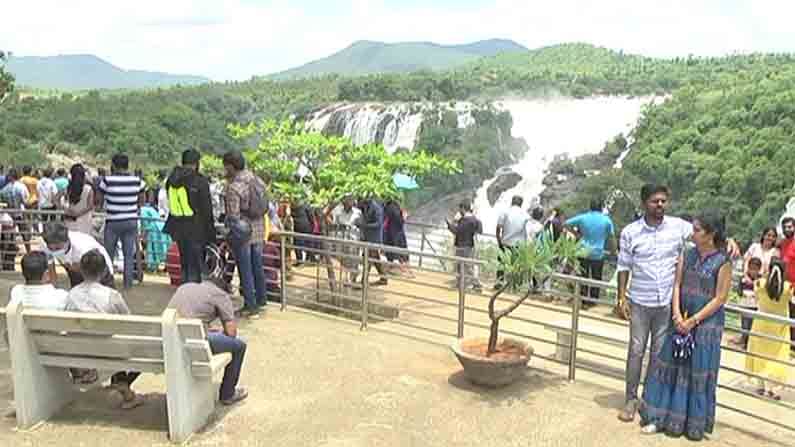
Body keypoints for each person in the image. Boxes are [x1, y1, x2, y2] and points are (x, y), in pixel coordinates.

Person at [616, 184, 739, 423]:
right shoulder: (630, 232)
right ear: (644, 203)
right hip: (640, 301)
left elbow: (709, 232)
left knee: (659, 355)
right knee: (636, 350)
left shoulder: (678, 226)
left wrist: (730, 239)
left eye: (663, 201)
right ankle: (631, 399)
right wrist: (621, 296)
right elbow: (623, 266)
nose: (660, 205)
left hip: (667, 306)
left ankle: (650, 400)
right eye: (655, 201)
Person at [639, 212, 733, 440]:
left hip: (705, 326)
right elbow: (677, 284)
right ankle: (658, 417)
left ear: (710, 234)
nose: (693, 233)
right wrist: (677, 315)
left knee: (697, 371)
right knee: (669, 367)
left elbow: (720, 298)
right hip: (680, 319)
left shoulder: (723, 262)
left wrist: (693, 320)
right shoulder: (687, 255)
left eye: (698, 230)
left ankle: (691, 423)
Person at [64, 250, 143, 408]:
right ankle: (123, 384)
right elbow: (129, 322)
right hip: (109, 351)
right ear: (104, 271)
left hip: (79, 350)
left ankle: (119, 383)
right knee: (142, 349)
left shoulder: (71, 295)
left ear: (81, 270)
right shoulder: (111, 295)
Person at [167, 276, 248, 405]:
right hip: (193, 343)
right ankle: (228, 394)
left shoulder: (185, 287)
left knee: (205, 335)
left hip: (169, 341)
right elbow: (231, 333)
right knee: (240, 346)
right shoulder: (221, 295)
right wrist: (221, 330)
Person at [223, 150, 267, 316]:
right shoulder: (258, 180)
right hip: (259, 229)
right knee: (258, 266)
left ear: (231, 167)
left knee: (245, 269)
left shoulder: (234, 187)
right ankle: (262, 299)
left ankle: (250, 304)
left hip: (244, 233)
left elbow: (233, 216)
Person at [163, 149, 215, 284]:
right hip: (196, 228)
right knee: (196, 266)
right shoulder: (199, 181)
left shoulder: (171, 180)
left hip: (177, 227)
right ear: (196, 163)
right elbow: (206, 209)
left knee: (185, 261)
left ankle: (185, 289)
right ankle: (193, 294)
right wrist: (211, 233)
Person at [745, 258, 792, 401]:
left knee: (759, 353)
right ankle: (771, 388)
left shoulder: (759, 284)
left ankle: (761, 385)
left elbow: (757, 298)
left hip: (761, 324)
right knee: (777, 355)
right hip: (779, 326)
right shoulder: (788, 287)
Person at [97, 154, 146, 289]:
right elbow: (142, 201)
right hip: (131, 221)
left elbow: (99, 202)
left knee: (108, 254)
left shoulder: (107, 180)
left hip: (112, 221)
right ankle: (127, 284)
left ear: (113, 165)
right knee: (128, 255)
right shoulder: (137, 181)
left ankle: (107, 284)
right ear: (127, 165)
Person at [565, 199, 616, 309]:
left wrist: (578, 235)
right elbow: (612, 237)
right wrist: (613, 251)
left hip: (583, 251)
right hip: (598, 253)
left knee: (583, 276)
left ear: (590, 207)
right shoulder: (606, 220)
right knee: (596, 277)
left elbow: (566, 224)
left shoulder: (583, 217)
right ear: (601, 208)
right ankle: (592, 301)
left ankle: (583, 299)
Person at [42, 221, 115, 288]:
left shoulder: (83, 246)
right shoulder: (46, 245)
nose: (54, 251)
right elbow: (51, 270)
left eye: (57, 248)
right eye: (51, 248)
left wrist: (76, 267)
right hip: (73, 268)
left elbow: (94, 271)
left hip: (98, 268)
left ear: (66, 241)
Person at [446, 200, 483, 291]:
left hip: (463, 246)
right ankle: (461, 284)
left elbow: (456, 231)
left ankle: (476, 284)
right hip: (471, 245)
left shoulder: (464, 220)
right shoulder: (475, 220)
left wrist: (450, 224)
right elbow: (480, 230)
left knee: (464, 266)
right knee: (465, 266)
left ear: (463, 209)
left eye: (460, 209)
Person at [495, 195, 529, 287]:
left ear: (512, 202)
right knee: (516, 266)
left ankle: (499, 283)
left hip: (505, 243)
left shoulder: (505, 212)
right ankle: (514, 284)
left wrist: (499, 240)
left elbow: (498, 227)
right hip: (519, 245)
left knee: (501, 265)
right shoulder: (525, 215)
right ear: (521, 204)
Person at [331, 195, 362, 286]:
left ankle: (353, 278)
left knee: (353, 259)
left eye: (350, 201)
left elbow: (360, 225)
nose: (348, 203)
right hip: (342, 238)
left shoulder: (358, 212)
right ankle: (346, 278)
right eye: (347, 201)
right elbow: (335, 224)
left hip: (353, 238)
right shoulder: (338, 212)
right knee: (343, 259)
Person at [358, 197, 388, 286]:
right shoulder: (365, 206)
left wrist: (365, 226)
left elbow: (379, 223)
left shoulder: (376, 208)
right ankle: (383, 277)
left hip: (374, 238)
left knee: (368, 258)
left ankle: (364, 281)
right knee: (375, 258)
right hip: (368, 237)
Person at [57, 164, 95, 236]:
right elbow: (90, 206)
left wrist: (64, 209)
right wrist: (78, 213)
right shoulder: (88, 188)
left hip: (70, 219)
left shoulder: (68, 188)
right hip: (84, 220)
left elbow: (55, 199)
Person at [0, 168, 32, 253]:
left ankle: (10, 251)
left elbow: (3, 203)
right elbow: (25, 201)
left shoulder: (4, 189)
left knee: (10, 235)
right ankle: (28, 251)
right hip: (20, 213)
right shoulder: (21, 187)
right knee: (25, 233)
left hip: (10, 214)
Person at [733, 257, 762, 347]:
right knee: (744, 324)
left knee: (753, 324)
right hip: (745, 304)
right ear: (748, 268)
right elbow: (739, 290)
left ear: (759, 270)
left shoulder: (760, 281)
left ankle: (749, 342)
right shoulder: (743, 279)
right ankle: (744, 340)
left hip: (755, 306)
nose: (753, 271)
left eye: (755, 269)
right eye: (751, 269)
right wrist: (743, 293)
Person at [140, 197, 171, 272]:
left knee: (153, 247)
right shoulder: (148, 208)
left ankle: (152, 267)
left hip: (154, 228)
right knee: (165, 247)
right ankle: (167, 266)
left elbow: (145, 227)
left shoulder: (142, 211)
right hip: (162, 226)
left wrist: (143, 237)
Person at [383, 197, 412, 277]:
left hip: (391, 232)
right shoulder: (393, 207)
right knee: (400, 251)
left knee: (395, 251)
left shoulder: (388, 206)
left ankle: (401, 269)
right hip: (395, 233)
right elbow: (399, 220)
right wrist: (404, 216)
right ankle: (405, 270)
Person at [778, 217, 795, 351]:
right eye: (785, 227)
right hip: (784, 287)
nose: (787, 229)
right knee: (786, 314)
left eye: (790, 226)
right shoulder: (782, 243)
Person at [291, 199, 316, 265]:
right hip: (304, 227)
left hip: (300, 227)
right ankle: (308, 259)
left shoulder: (293, 206)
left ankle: (305, 260)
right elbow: (311, 216)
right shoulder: (305, 205)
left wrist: (312, 225)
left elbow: (311, 216)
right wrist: (312, 225)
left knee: (300, 244)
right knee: (307, 244)